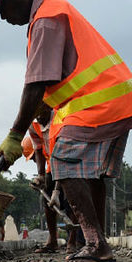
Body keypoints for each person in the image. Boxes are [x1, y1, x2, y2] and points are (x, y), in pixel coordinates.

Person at [0, 0, 132, 262]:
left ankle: (95, 243)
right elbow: (45, 95)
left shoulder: (47, 20)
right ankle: (98, 242)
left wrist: (14, 135)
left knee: (62, 158)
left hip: (100, 100)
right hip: (116, 98)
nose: (5, 19)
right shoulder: (52, 11)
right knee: (89, 174)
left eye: (1, 9)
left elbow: (37, 85)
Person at [24, 105, 84, 254]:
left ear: (47, 107)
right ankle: (52, 240)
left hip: (70, 161)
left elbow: (62, 153)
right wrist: (41, 176)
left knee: (70, 200)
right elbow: (38, 148)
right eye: (35, 113)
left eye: (40, 111)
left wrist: (57, 191)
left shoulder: (59, 118)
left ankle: (73, 240)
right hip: (52, 165)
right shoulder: (33, 124)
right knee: (47, 200)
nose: (38, 116)